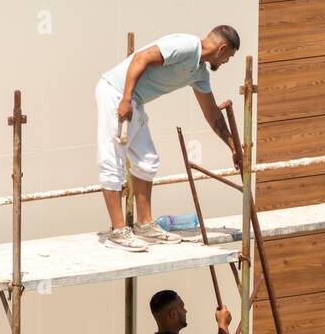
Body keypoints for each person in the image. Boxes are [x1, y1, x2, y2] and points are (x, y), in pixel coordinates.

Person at [97, 27, 242, 252]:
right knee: (112, 162)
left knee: (147, 161)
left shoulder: (199, 73)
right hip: (116, 92)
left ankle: (144, 225)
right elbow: (141, 58)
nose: (225, 62)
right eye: (228, 57)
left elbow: (212, 114)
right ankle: (118, 232)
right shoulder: (186, 46)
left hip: (134, 100)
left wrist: (233, 146)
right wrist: (125, 100)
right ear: (221, 49)